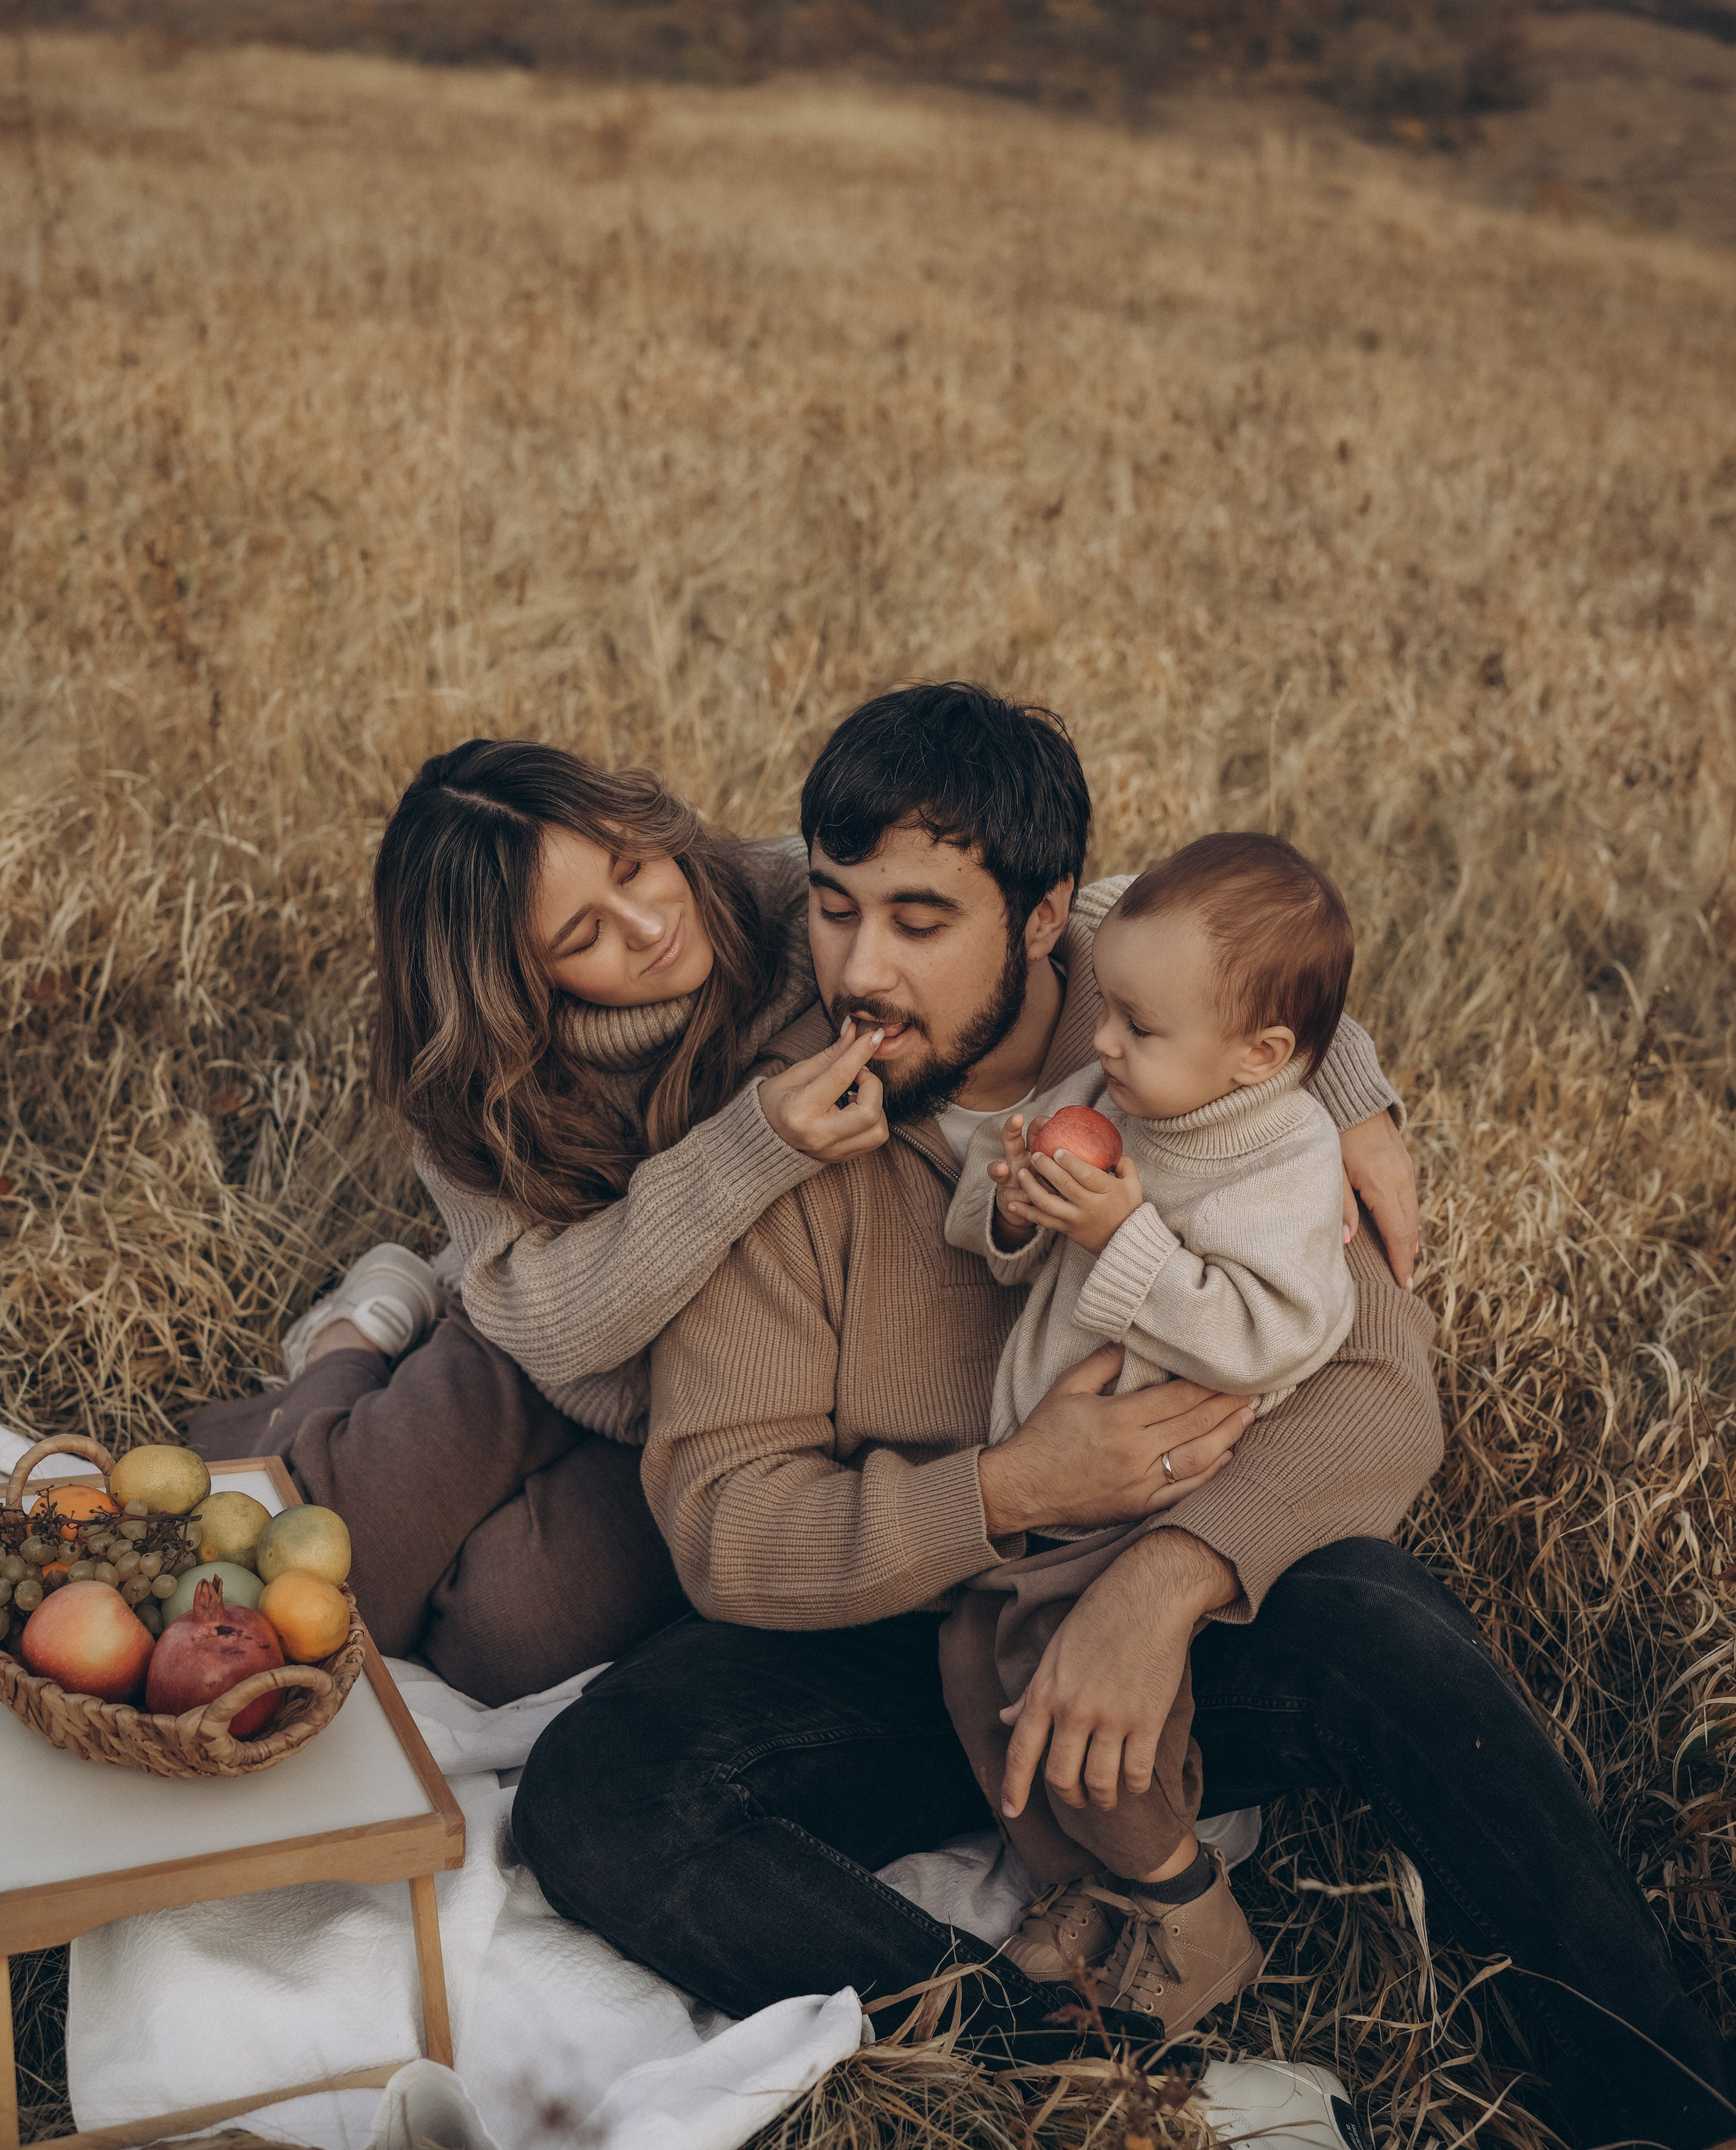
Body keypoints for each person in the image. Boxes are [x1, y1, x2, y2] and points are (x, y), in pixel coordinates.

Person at [511, 685, 1734, 2150]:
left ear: (1045, 923)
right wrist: (1004, 1488)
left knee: (1388, 1627)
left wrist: (1168, 1582)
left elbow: (1372, 1385)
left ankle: (1660, 2106)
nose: (857, 968)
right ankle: (1064, 2066)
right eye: (832, 911)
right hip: (916, 1629)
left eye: (918, 921)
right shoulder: (789, 1136)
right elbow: (727, 1525)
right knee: (598, 1793)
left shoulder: (1203, 1089)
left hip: (1169, 1617)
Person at [190, 739, 892, 1702]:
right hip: (547, 1335)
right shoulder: (475, 1078)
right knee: (332, 1572)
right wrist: (752, 1140)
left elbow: (1007, 912)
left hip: (700, 1397)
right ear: (510, 980)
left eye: (635, 864)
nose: (651, 923)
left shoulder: (788, 910)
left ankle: (403, 1343)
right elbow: (557, 1324)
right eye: (582, 937)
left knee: (497, 1641)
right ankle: (360, 1328)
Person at [936, 832, 1362, 2028]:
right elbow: (992, 1224)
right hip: (1048, 1487)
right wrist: (1014, 1203)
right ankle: (1090, 1894)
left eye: (1138, 1025)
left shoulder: (1284, 1158)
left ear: (1260, 1055)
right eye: (1106, 1011)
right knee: (972, 1668)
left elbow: (1271, 1331)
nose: (1102, 1043)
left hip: (1148, 1504)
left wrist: (1122, 1237)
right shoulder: (1105, 1096)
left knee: (1084, 1729)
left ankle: (1191, 1912)